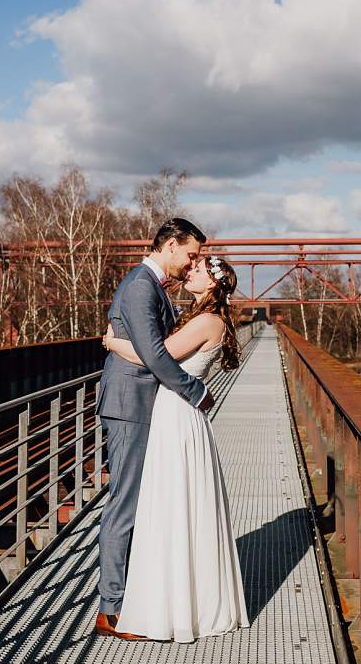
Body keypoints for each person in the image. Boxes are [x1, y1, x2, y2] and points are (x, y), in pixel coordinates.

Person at [102, 255, 250, 643]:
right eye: (192, 263)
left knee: (170, 507)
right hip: (176, 415)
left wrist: (113, 342)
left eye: (198, 269)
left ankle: (167, 606)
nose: (190, 271)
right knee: (176, 508)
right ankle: (175, 599)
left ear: (213, 285)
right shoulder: (201, 316)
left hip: (177, 417)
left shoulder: (205, 320)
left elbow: (156, 358)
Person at [92, 218, 216, 640]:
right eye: (191, 254)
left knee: (139, 504)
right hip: (131, 406)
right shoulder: (142, 286)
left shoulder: (152, 287)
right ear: (169, 245)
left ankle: (131, 600)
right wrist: (195, 391)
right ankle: (111, 609)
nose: (192, 262)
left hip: (145, 405)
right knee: (124, 505)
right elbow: (155, 356)